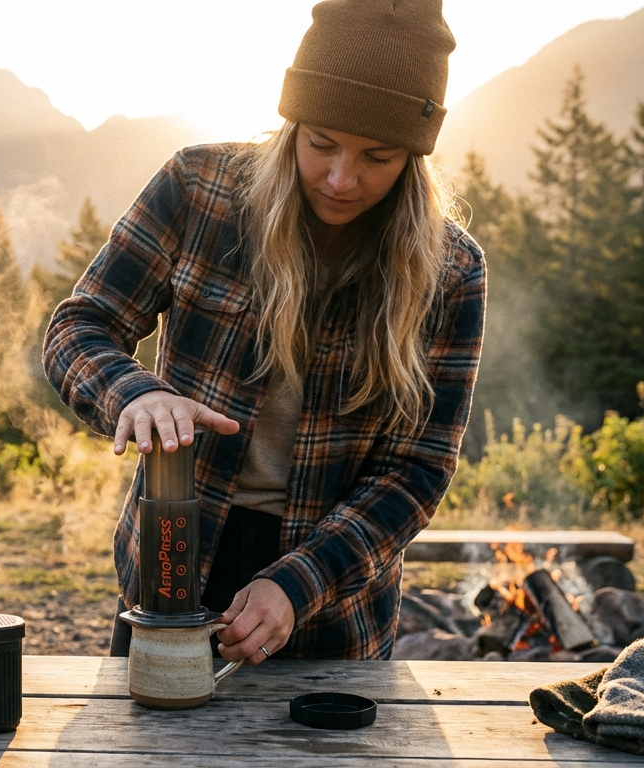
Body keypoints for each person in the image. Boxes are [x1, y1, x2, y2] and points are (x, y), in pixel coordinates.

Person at [43, 0, 485, 663]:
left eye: (378, 157)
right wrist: (133, 393)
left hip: (334, 603)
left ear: (416, 155)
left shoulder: (452, 270)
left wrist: (297, 583)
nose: (342, 179)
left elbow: (416, 471)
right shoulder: (198, 190)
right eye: (321, 143)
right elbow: (79, 326)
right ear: (291, 122)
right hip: (169, 572)